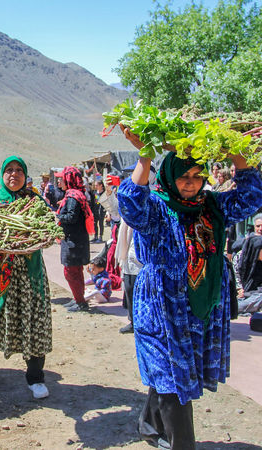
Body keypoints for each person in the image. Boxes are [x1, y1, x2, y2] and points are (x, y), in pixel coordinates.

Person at [117, 124, 262, 450]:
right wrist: (144, 156)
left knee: (177, 369)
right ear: (170, 175)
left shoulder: (212, 205)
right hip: (161, 305)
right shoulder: (156, 206)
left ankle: (148, 423)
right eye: (184, 176)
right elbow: (129, 203)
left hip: (201, 305)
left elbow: (252, 196)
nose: (190, 182)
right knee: (173, 378)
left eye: (197, 176)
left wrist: (235, 152)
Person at [0, 156, 52, 399]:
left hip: (29, 274)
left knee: (33, 320)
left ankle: (35, 378)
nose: (14, 174)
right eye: (9, 170)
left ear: (25, 175)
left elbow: (48, 232)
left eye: (19, 170)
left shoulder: (35, 201)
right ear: (2, 174)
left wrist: (34, 241)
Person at [57, 166, 94, 312]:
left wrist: (57, 216)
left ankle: (80, 302)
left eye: (62, 178)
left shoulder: (72, 197)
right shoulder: (76, 194)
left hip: (73, 240)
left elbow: (71, 218)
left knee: (71, 272)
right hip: (77, 239)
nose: (60, 181)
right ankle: (78, 298)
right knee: (76, 271)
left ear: (69, 179)